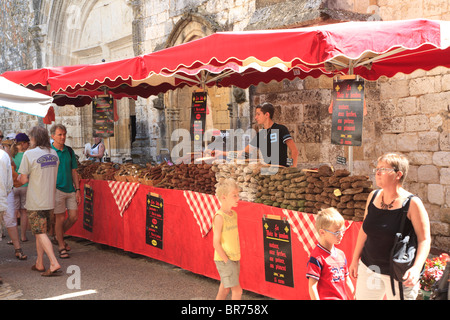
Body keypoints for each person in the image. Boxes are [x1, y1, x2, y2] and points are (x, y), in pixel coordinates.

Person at [349, 153, 431, 300]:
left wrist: (416, 268)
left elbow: (424, 240)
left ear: (398, 174)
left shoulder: (412, 203)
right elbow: (365, 230)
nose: (378, 172)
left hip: (398, 273)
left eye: (384, 169)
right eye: (377, 168)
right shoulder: (373, 196)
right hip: (370, 268)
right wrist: (355, 259)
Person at [18, 126, 62, 276]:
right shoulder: (54, 153)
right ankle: (39, 263)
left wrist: (20, 178)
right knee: (41, 233)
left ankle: (54, 262)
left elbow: (23, 178)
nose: (29, 141)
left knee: (40, 232)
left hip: (36, 200)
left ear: (35, 138)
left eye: (30, 138)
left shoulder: (29, 154)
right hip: (50, 200)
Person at [210, 102, 298, 167]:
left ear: (267, 115)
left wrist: (291, 168)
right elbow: (242, 153)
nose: (256, 117)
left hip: (282, 173)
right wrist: (221, 153)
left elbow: (294, 151)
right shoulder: (260, 135)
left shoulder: (281, 129)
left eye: (258, 114)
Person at [306, 207, 354, 300]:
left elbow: (347, 280)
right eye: (336, 232)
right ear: (322, 232)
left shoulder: (341, 254)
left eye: (342, 230)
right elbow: (312, 286)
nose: (341, 235)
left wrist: (354, 297)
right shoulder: (317, 257)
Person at [50, 124, 80, 259]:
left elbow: (74, 171)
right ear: (53, 136)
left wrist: (78, 189)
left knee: (73, 216)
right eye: (59, 135)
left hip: (70, 189)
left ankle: (57, 236)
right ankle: (61, 246)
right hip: (56, 189)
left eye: (64, 134)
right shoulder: (49, 151)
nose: (63, 137)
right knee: (60, 218)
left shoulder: (69, 150)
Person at [213, 178, 242, 300]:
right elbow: (216, 243)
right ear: (224, 197)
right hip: (225, 259)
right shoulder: (219, 217)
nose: (238, 198)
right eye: (234, 196)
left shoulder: (234, 214)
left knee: (225, 288)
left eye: (238, 195)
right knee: (237, 291)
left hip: (234, 258)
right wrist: (226, 261)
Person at [12, 133, 30, 242]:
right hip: (25, 185)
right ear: (23, 143)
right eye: (27, 143)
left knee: (14, 212)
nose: (28, 145)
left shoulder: (11, 154)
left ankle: (14, 238)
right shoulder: (27, 155)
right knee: (24, 212)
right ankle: (23, 236)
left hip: (14, 186)